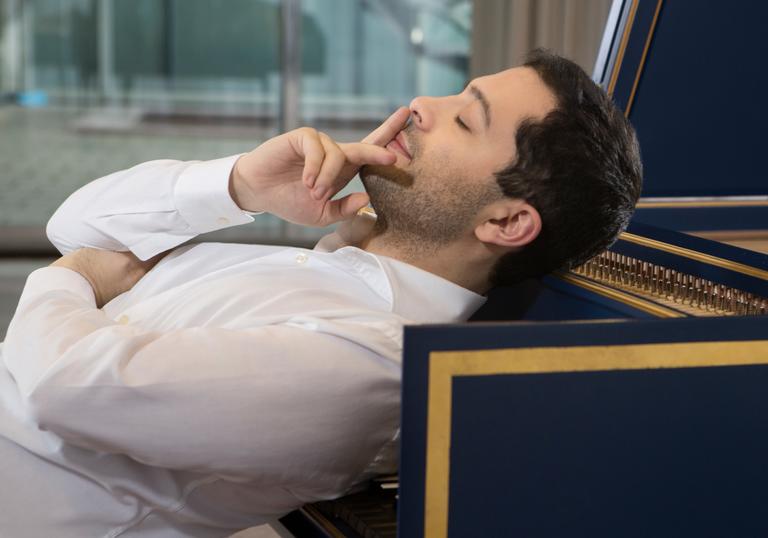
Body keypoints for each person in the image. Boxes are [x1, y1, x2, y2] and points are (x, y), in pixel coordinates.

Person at [0, 50, 641, 536]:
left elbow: (63, 383)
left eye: (465, 120)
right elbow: (75, 229)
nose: (422, 102)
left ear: (504, 222)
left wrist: (68, 280)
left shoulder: (375, 360)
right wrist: (239, 187)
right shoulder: (331, 269)